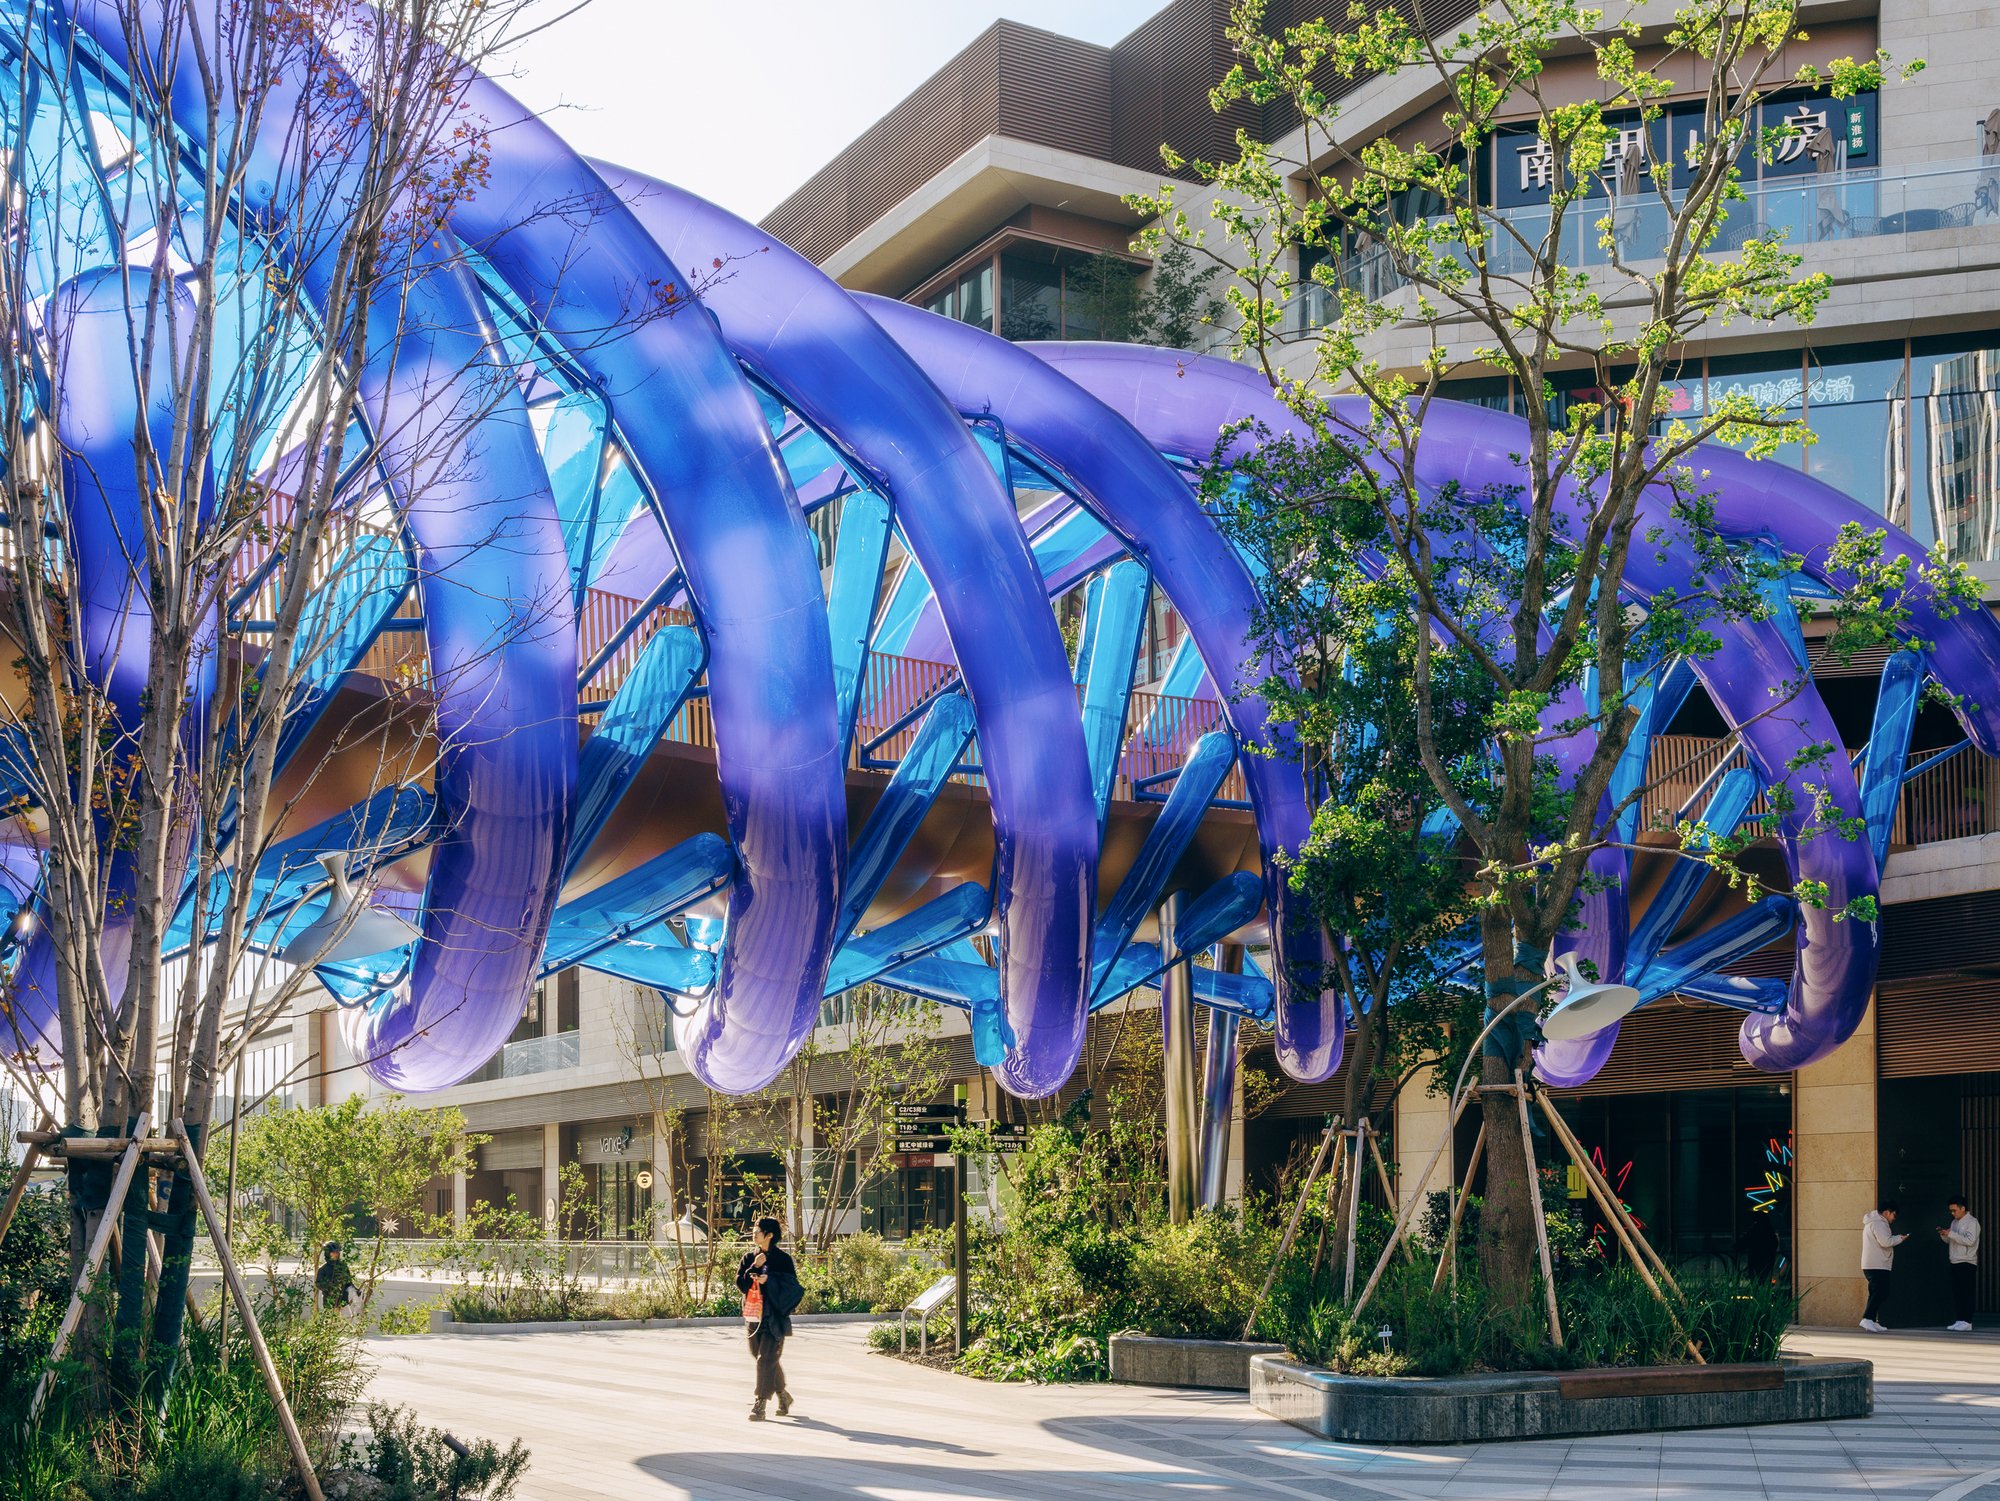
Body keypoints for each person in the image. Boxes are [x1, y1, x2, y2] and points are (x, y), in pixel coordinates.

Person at [736, 1216, 802, 1421]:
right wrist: (754, 1268)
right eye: (754, 1230)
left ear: (769, 1235)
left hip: (774, 1317)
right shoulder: (749, 1257)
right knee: (761, 1356)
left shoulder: (783, 1260)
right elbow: (741, 1284)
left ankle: (760, 1403)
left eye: (758, 1231)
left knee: (765, 1359)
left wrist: (769, 1280)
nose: (754, 1234)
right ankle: (783, 1395)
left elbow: (792, 1289)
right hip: (753, 1315)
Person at [1861, 1201, 1907, 1332]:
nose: (1894, 1218)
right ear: (1887, 1212)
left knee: (1876, 1292)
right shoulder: (1879, 1224)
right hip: (1878, 1264)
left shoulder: (1873, 1222)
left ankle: (1871, 1319)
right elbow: (1885, 1242)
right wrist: (1899, 1238)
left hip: (1873, 1264)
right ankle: (1867, 1318)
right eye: (1894, 1215)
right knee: (1881, 1292)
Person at [1939, 1193, 1982, 1332]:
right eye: (1951, 1211)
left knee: (1966, 1292)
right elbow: (1951, 1241)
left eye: (1954, 1210)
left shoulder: (1972, 1222)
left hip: (1967, 1262)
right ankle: (1960, 1320)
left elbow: (1970, 1241)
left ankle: (1967, 1321)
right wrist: (1944, 1235)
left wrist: (1951, 1234)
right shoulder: (1954, 1222)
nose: (1952, 1213)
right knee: (1957, 1293)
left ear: (1963, 1208)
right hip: (1955, 1261)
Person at [315, 1241, 358, 1313]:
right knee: (330, 1320)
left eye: (337, 1252)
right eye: (333, 1252)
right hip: (330, 1304)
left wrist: (355, 1290)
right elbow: (318, 1284)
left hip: (344, 1303)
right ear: (328, 1253)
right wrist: (330, 1284)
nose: (336, 1254)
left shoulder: (343, 1267)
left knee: (347, 1320)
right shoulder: (323, 1269)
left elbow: (348, 1283)